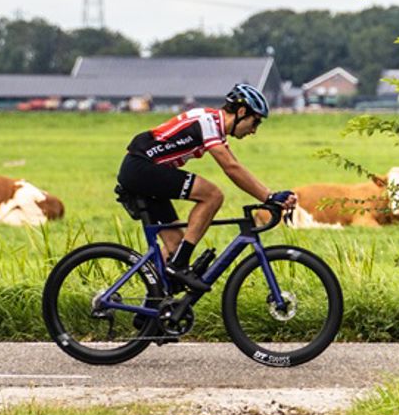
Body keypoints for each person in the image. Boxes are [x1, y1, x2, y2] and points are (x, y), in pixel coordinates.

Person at [115, 83, 298, 293]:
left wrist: (269, 196)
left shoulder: (215, 129)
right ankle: (179, 265)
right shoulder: (208, 120)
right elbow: (230, 168)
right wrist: (269, 196)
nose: (254, 130)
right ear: (241, 112)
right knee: (212, 195)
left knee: (174, 244)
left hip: (143, 171)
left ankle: (152, 311)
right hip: (140, 168)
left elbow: (236, 167)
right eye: (255, 121)